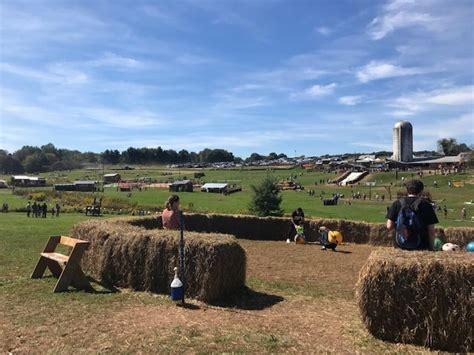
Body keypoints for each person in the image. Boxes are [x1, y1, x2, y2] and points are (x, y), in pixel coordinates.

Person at [386, 179, 439, 250]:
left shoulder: (397, 203)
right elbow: (431, 231)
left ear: (407, 190)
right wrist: (431, 248)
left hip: (400, 245)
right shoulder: (426, 205)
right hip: (420, 246)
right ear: (421, 191)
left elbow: (389, 226)